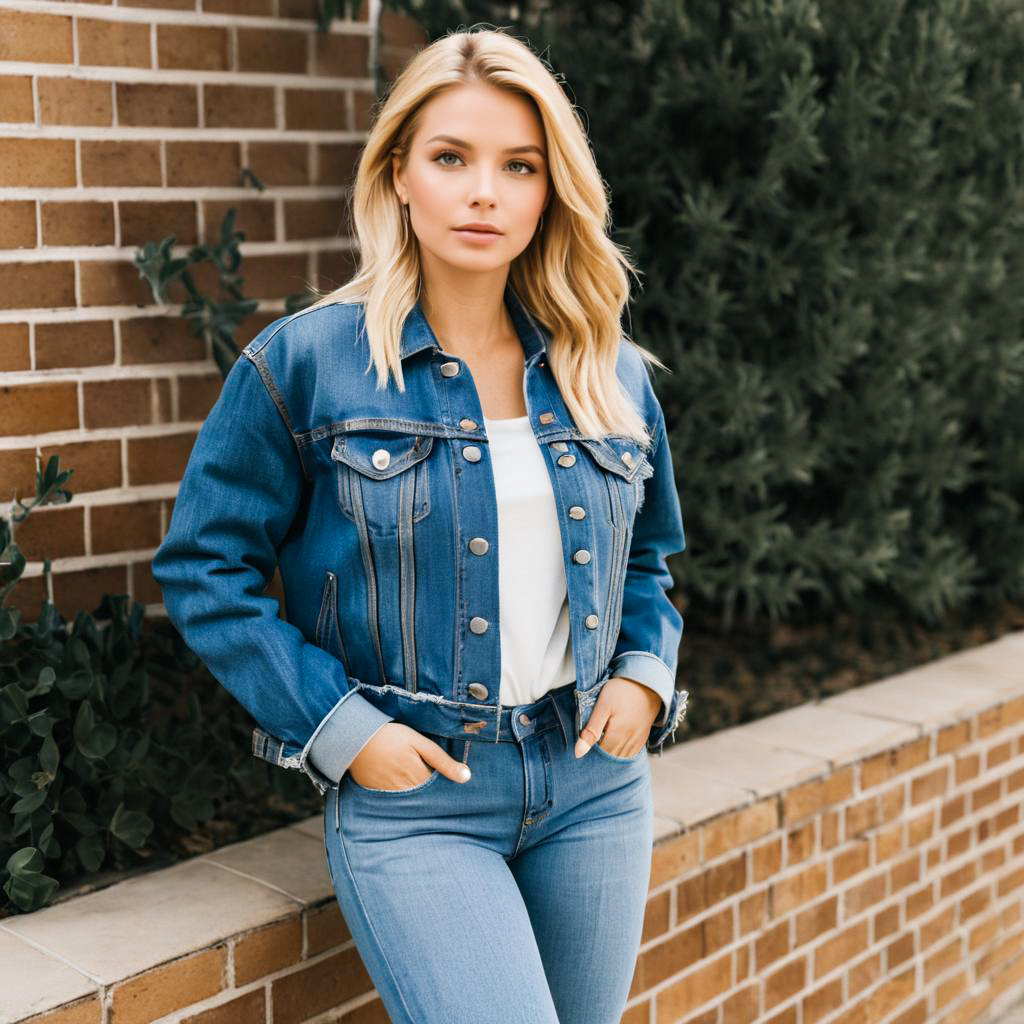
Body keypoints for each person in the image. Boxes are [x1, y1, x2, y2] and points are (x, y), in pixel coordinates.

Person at [152, 25, 688, 1024]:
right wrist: (339, 729)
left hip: (596, 787)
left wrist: (644, 676)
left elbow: (649, 559)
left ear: (548, 189)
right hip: (419, 802)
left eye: (518, 166)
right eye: (451, 158)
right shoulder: (303, 363)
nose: (484, 191)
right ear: (399, 173)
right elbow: (205, 568)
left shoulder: (607, 370)